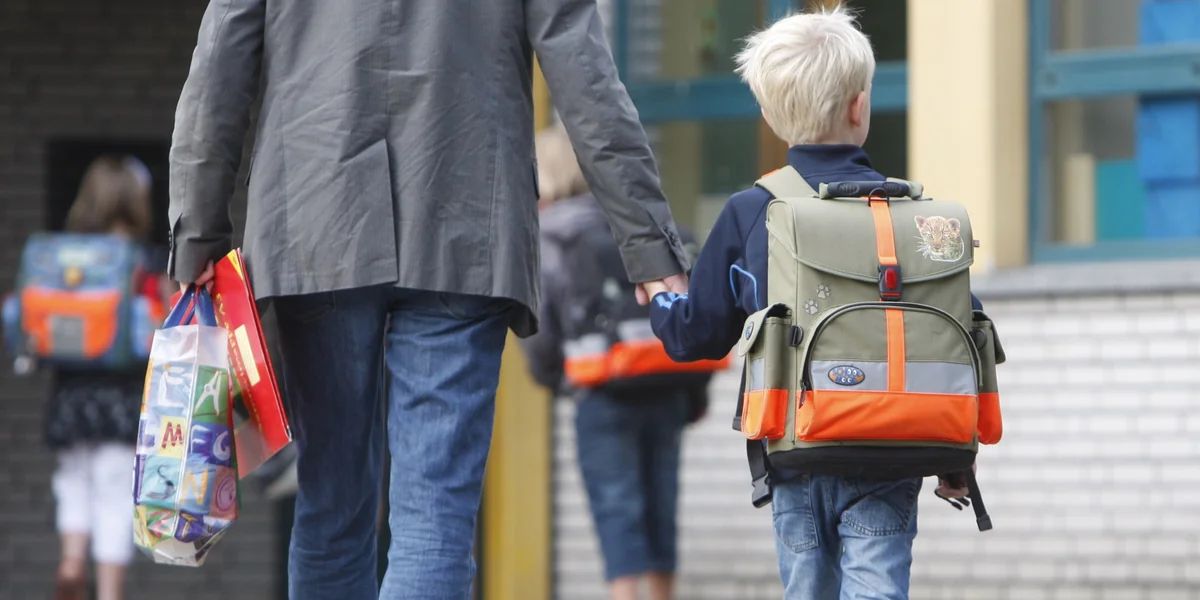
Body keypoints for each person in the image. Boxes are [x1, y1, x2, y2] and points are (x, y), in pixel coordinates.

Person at [166, 1, 691, 598]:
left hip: (318, 216)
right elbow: (582, 64)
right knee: (435, 522)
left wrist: (197, 233)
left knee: (330, 508)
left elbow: (221, 60)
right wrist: (648, 242)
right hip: (462, 219)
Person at [644, 5, 984, 599]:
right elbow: (956, 332)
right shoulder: (910, 219)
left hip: (797, 451)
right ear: (860, 107)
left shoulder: (753, 211)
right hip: (893, 450)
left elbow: (696, 335)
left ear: (771, 115)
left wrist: (659, 296)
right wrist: (957, 455)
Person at [523, 125, 713, 600]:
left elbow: (540, 329)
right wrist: (694, 392)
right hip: (665, 386)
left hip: (601, 392)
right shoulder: (634, 222)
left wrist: (560, 381)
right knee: (661, 509)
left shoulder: (551, 234)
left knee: (616, 513)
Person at [46, 156, 169, 600]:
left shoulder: (63, 258)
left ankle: (71, 559)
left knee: (73, 481)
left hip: (71, 394)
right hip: (123, 397)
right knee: (115, 494)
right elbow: (165, 323)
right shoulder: (145, 261)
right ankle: (109, 593)